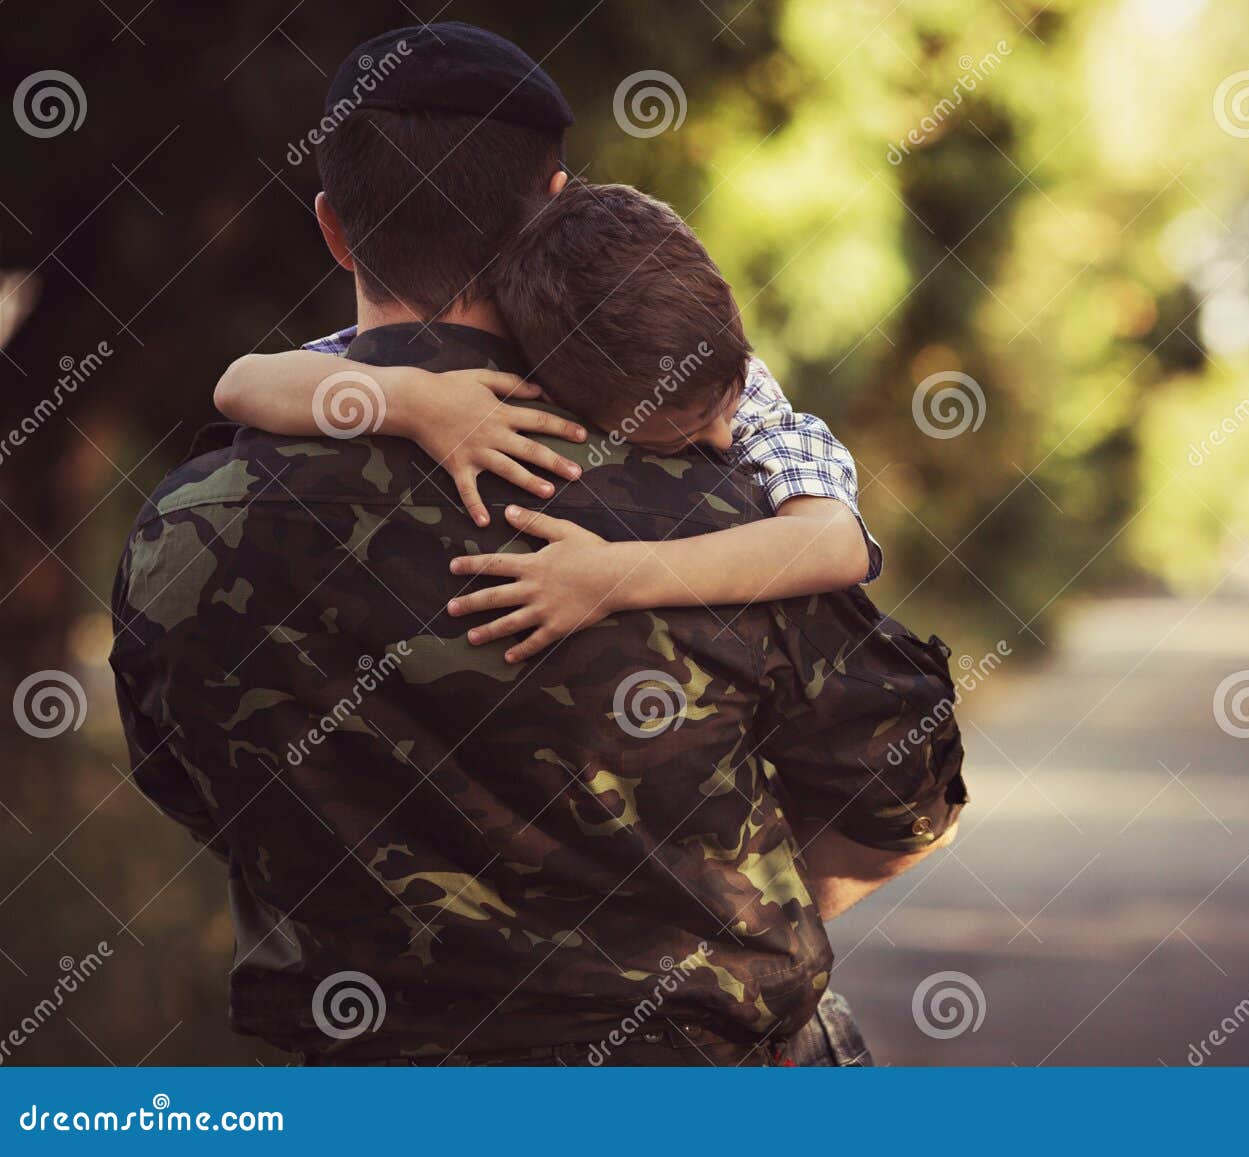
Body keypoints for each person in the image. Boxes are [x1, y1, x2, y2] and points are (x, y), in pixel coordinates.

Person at [109, 21, 966, 1066]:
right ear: (551, 208)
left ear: (335, 229)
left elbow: (192, 784)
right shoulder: (725, 509)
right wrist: (729, 926)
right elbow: (904, 794)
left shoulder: (191, 526)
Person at [210, 181, 878, 662]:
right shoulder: (516, 363)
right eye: (687, 432)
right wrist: (415, 403)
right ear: (565, 398)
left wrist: (612, 576)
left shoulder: (744, 383)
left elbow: (832, 543)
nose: (725, 438)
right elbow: (241, 384)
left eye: (723, 403)